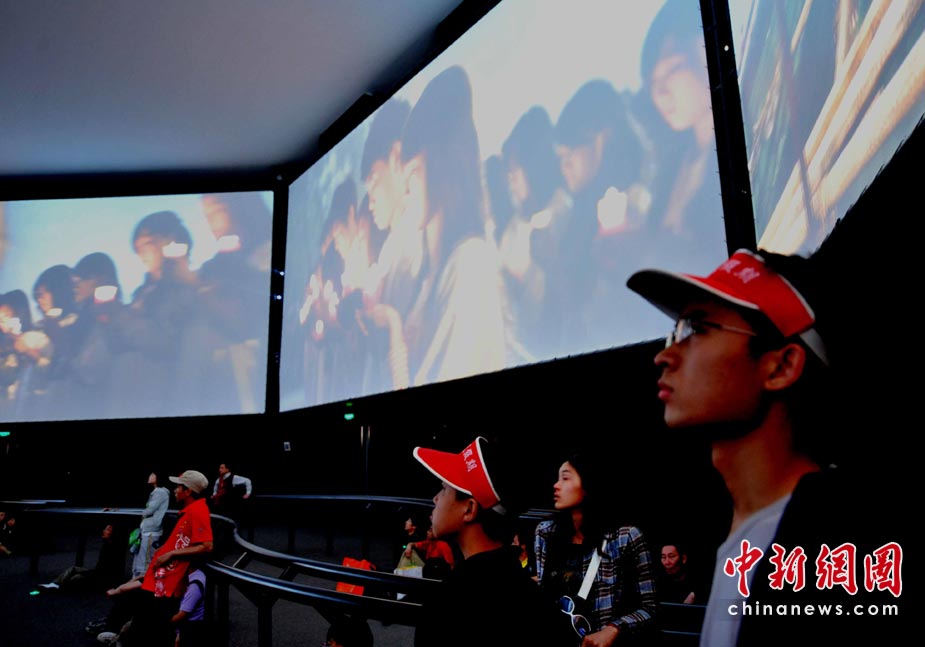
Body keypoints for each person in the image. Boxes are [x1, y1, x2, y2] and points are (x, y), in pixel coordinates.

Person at [627, 248, 905, 646]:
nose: (664, 355)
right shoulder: (745, 540)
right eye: (677, 332)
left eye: (697, 329)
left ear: (781, 366)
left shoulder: (840, 546)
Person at [411, 436, 572, 647]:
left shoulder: (447, 605)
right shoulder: (536, 599)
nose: (436, 498)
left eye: (444, 489)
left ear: (469, 509)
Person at [535, 452, 658, 646]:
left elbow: (650, 608)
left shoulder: (625, 537)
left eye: (565, 478)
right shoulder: (545, 533)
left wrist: (614, 629)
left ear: (588, 484)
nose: (556, 485)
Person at [121, 469, 213, 647]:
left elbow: (207, 545)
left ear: (188, 491)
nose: (175, 490)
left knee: (148, 631)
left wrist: (170, 554)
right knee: (144, 628)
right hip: (160, 581)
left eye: (178, 487)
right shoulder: (189, 511)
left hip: (166, 585)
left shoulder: (198, 510)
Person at [38, 523, 124, 592]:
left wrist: (87, 574)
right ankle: (54, 584)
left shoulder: (113, 549)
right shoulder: (105, 545)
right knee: (73, 569)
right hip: (97, 573)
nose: (104, 531)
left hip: (102, 577)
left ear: (113, 534)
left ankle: (61, 588)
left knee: (76, 577)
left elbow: (104, 572)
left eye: (107, 530)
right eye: (105, 529)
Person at [133, 471, 170, 578]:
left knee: (145, 564)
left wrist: (143, 513)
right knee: (141, 561)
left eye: (153, 474)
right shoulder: (156, 492)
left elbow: (149, 510)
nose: (150, 476)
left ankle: (142, 584)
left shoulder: (160, 492)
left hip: (151, 532)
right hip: (148, 530)